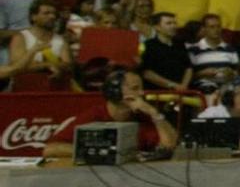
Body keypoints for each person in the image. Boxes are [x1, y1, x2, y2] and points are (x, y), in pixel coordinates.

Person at [42, 68, 177, 159]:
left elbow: (168, 146)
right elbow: (50, 149)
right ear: (114, 91)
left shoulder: (142, 115)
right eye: (135, 89)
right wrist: (101, 153)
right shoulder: (95, 115)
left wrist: (155, 114)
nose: (141, 93)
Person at [1, 0, 71, 90]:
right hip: (24, 88)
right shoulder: (21, 37)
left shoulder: (60, 40)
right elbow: (17, 66)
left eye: (54, 14)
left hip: (53, 88)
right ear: (33, 17)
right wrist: (46, 65)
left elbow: (67, 64)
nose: (52, 17)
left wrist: (35, 65)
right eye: (46, 13)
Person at [140, 11, 192, 92]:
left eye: (174, 23)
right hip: (157, 94)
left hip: (182, 93)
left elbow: (188, 68)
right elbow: (147, 73)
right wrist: (172, 85)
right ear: (157, 27)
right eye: (169, 23)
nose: (173, 26)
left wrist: (183, 86)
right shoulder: (148, 45)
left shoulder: (180, 44)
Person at [186, 14, 240, 88]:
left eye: (218, 26)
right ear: (204, 29)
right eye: (212, 27)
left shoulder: (230, 49)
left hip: (228, 87)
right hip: (203, 88)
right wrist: (202, 73)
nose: (216, 30)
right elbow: (187, 78)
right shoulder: (194, 50)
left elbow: (237, 72)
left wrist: (231, 73)